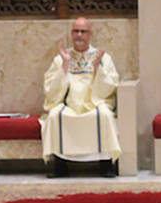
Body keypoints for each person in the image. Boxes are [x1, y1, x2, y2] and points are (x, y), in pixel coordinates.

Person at [41, 17, 121, 178]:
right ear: (71, 34)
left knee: (104, 115)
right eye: (75, 31)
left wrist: (98, 67)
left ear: (90, 34)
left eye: (83, 31)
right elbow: (51, 90)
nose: (79, 35)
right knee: (55, 115)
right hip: (69, 105)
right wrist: (65, 65)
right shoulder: (62, 57)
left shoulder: (103, 57)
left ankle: (106, 164)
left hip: (94, 104)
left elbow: (109, 87)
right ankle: (59, 165)